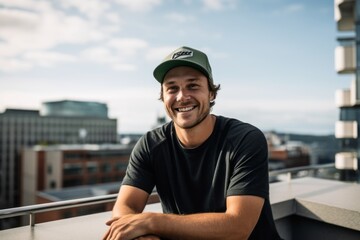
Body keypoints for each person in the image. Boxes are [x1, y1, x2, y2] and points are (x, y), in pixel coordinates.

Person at [103, 46, 282, 240]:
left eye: (193, 86)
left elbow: (237, 227)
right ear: (163, 98)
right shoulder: (150, 145)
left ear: (211, 94)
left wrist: (151, 222)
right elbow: (125, 207)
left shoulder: (245, 139)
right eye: (172, 88)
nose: (182, 96)